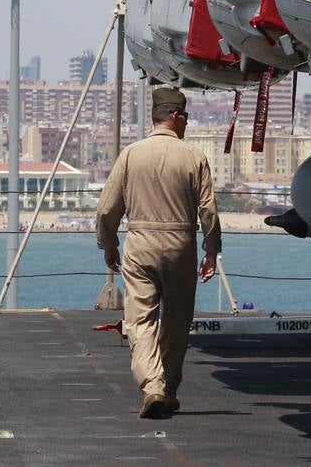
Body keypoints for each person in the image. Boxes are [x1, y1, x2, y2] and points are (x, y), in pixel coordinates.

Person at [96, 86, 221, 419]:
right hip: (181, 242)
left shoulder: (131, 154)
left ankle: (152, 386)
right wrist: (212, 251)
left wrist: (109, 245)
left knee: (140, 321)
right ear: (176, 116)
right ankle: (168, 389)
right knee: (177, 322)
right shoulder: (194, 156)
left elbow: (108, 209)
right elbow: (208, 211)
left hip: (139, 242)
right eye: (186, 118)